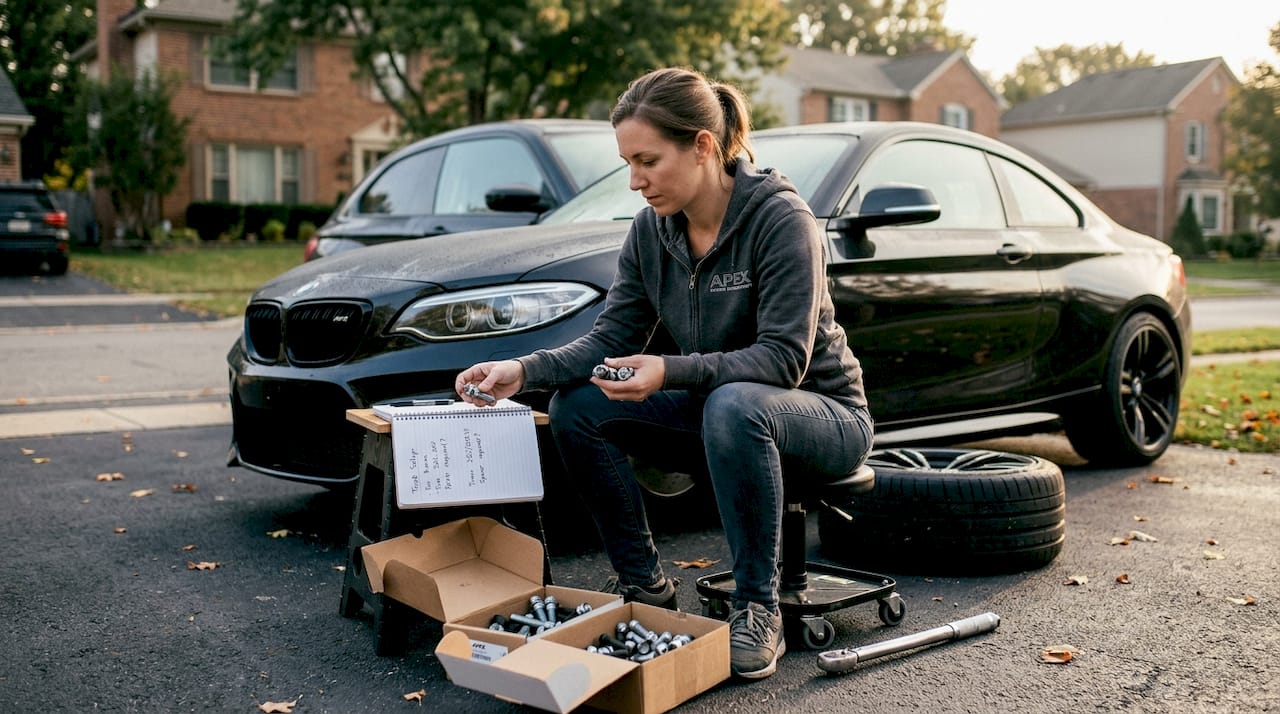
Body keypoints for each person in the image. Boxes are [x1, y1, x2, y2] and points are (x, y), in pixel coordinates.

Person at [455, 67, 872, 680]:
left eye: (647, 161)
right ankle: (644, 587)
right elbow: (610, 340)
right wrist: (523, 369)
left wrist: (668, 370)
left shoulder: (782, 220)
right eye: (628, 163)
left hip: (824, 417)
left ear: (702, 146)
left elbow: (784, 360)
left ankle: (758, 608)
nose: (635, 180)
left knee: (736, 403)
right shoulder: (651, 232)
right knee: (579, 407)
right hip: (723, 415)